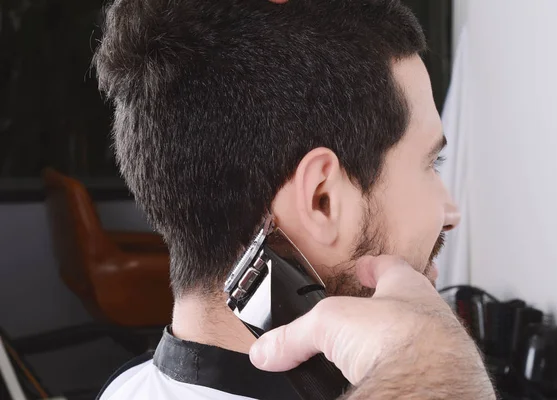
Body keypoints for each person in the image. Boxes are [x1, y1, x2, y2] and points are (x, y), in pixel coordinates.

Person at [93, 0, 495, 398]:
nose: (451, 213)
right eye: (431, 163)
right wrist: (442, 376)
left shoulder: (125, 386)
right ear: (323, 200)